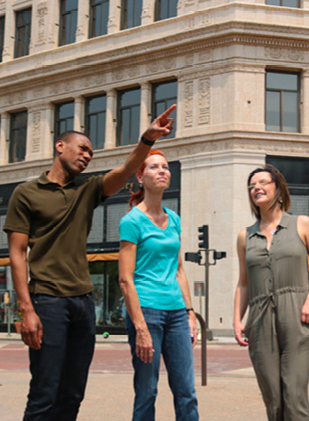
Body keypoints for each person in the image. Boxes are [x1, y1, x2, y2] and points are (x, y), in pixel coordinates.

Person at [3, 106, 174, 421]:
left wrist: (146, 141)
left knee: (73, 392)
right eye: (82, 149)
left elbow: (125, 171)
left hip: (83, 302)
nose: (86, 157)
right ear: (60, 146)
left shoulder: (88, 188)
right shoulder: (26, 193)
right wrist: (25, 310)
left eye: (91, 154)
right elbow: (16, 253)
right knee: (45, 389)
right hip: (47, 299)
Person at [232, 164, 309, 421]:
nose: (257, 188)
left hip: (297, 314)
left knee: (294, 394)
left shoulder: (302, 224)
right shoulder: (245, 236)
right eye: (252, 185)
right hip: (259, 318)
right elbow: (243, 283)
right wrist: (237, 321)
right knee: (273, 400)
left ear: (278, 188)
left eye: (263, 182)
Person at [118, 149, 198, 421]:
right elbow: (125, 279)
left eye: (165, 166)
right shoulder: (131, 221)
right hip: (146, 312)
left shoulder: (173, 219)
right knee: (147, 391)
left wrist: (190, 313)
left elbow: (179, 270)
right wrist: (140, 328)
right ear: (140, 176)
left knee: (186, 391)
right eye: (154, 167)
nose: (162, 171)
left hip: (176, 313)